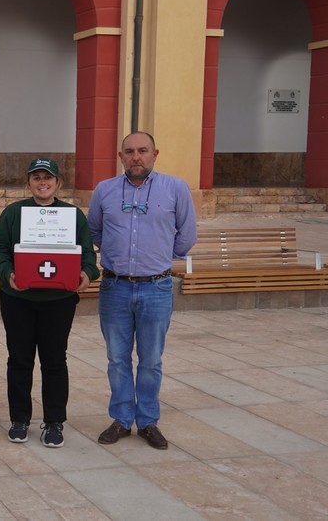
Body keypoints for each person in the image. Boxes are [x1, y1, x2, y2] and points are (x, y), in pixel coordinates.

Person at [87, 131, 197, 450]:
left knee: (150, 360)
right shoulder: (105, 190)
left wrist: (160, 255)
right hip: (115, 288)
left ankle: (148, 421)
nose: (136, 157)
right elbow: (94, 229)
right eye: (130, 151)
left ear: (155, 154)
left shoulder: (175, 188)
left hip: (156, 287)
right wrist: (116, 253)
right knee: (117, 358)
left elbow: (187, 234)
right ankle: (122, 419)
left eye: (143, 151)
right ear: (121, 156)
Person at [0, 158, 100, 448]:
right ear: (28, 183)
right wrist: (8, 273)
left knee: (54, 361)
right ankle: (19, 419)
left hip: (58, 301)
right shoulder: (13, 213)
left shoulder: (73, 215)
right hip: (18, 300)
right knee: (19, 360)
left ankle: (54, 422)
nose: (42, 183)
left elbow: (88, 254)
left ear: (57, 183)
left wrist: (86, 275)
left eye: (47, 178)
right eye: (36, 178)